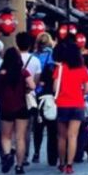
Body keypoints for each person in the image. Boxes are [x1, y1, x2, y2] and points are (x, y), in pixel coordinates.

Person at [0, 48, 36, 174]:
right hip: (22, 106)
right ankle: (19, 166)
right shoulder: (24, 73)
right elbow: (33, 86)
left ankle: (7, 155)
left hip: (6, 107)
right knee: (20, 137)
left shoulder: (1, 74)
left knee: (5, 136)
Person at [53, 42, 88, 175]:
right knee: (73, 136)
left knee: (62, 136)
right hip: (77, 104)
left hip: (62, 104)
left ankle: (62, 163)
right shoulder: (82, 69)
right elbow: (87, 89)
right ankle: (70, 165)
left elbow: (54, 88)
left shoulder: (60, 68)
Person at [32, 33, 57, 165]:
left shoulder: (33, 56)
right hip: (49, 94)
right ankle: (52, 156)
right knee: (52, 125)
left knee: (38, 125)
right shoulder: (53, 56)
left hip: (36, 93)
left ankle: (36, 152)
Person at [17, 33, 41, 165]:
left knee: (11, 128)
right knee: (26, 127)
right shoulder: (35, 60)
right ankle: (24, 156)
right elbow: (36, 81)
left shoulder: (11, 59)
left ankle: (10, 152)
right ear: (30, 44)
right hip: (29, 97)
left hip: (13, 96)